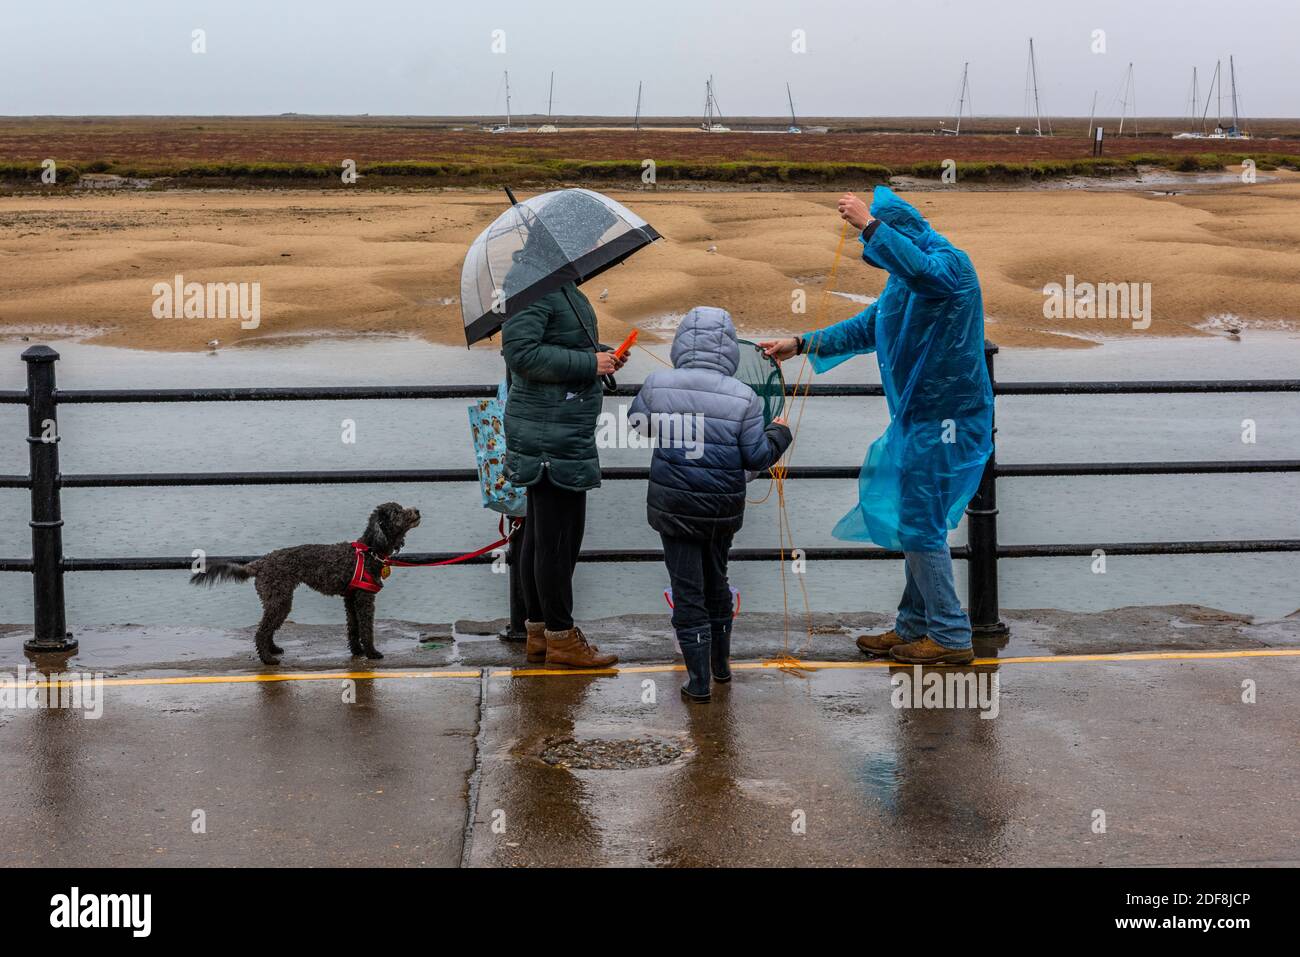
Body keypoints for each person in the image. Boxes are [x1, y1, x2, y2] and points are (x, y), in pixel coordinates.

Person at [761, 187, 993, 665]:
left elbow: (927, 274)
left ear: (898, 232)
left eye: (881, 247)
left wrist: (868, 224)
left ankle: (950, 636)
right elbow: (869, 326)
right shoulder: (900, 279)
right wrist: (801, 343)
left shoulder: (952, 265)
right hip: (917, 420)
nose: (881, 263)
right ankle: (914, 626)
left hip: (949, 421)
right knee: (917, 522)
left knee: (922, 525)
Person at [630, 306, 792, 701]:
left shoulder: (656, 383)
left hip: (674, 508)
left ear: (682, 342)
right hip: (721, 509)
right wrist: (780, 434)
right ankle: (721, 668)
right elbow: (755, 457)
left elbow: (637, 426)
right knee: (716, 582)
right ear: (732, 349)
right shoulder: (744, 396)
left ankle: (698, 682)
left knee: (687, 591)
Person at [503, 279, 625, 669]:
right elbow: (521, 354)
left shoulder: (550, 283)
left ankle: (540, 633)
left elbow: (555, 345)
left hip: (556, 428)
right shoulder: (536, 287)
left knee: (541, 536)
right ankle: (561, 638)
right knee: (557, 541)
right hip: (551, 433)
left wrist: (600, 355)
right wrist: (591, 363)